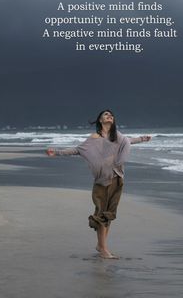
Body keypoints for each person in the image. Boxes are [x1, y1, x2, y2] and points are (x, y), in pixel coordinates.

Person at [46, 110, 151, 259]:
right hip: (102, 181)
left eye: (112, 115)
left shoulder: (118, 137)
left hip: (118, 177)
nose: (110, 116)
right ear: (100, 120)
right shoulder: (94, 138)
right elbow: (78, 150)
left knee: (109, 215)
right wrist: (56, 152)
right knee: (102, 214)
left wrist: (142, 139)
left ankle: (101, 245)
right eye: (106, 114)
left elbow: (128, 141)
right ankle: (103, 248)